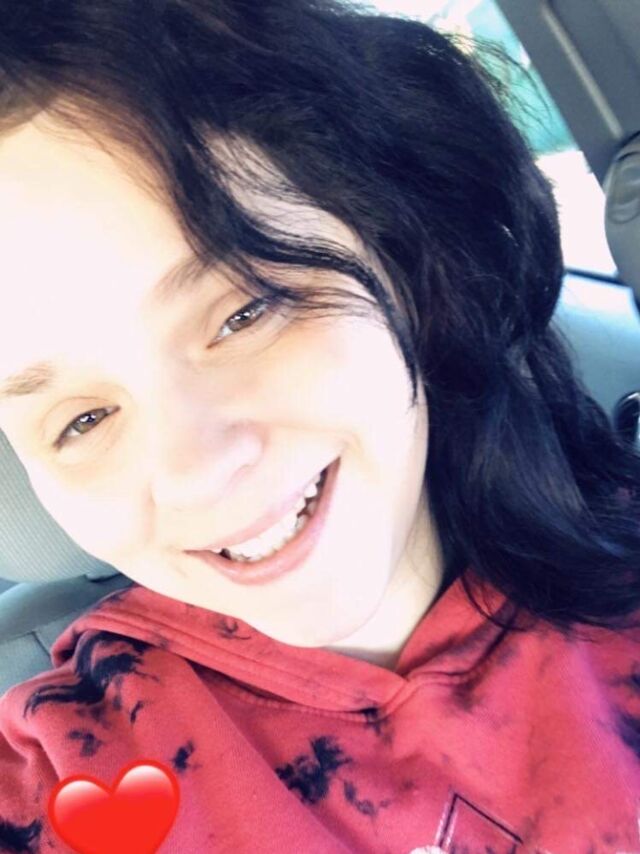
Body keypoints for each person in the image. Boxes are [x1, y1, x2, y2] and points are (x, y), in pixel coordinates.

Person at [0, 1, 639, 851]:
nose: (196, 470)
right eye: (82, 420)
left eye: (246, 311)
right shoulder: (64, 774)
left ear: (400, 250)